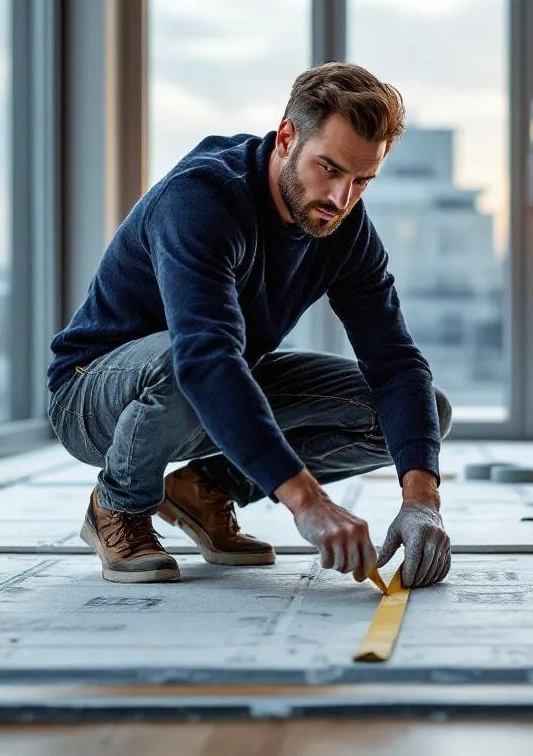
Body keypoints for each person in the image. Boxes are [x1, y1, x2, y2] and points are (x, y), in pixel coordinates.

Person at [45, 62, 453, 589]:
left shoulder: (344, 228)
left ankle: (204, 490)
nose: (340, 199)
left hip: (206, 380)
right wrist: (309, 503)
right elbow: (204, 359)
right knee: (188, 361)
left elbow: (396, 364)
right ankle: (118, 505)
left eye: (360, 180)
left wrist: (422, 501)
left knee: (422, 414)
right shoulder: (202, 199)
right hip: (90, 395)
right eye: (327, 168)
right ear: (287, 137)